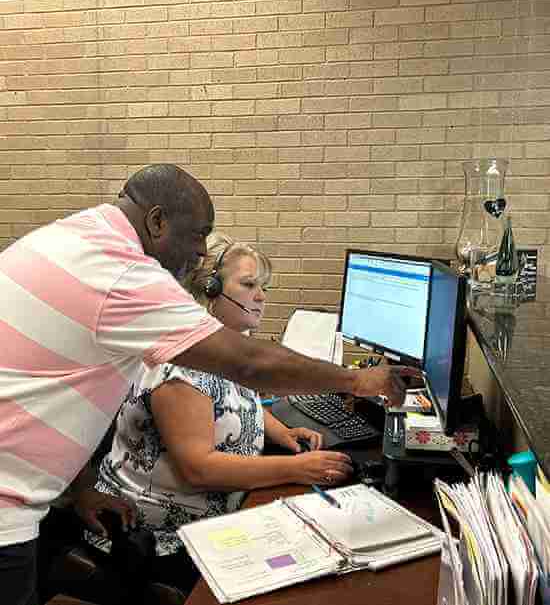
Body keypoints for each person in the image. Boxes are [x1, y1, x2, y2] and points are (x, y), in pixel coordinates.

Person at [0, 163, 410, 605]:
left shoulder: (74, 239)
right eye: (198, 234)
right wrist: (358, 380)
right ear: (157, 220)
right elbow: (248, 367)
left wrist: (79, 490)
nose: (200, 252)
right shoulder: (122, 274)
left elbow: (51, 388)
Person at [84, 233, 353, 593]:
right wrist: (298, 468)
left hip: (211, 517)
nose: (261, 297)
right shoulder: (181, 365)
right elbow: (198, 468)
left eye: (264, 287)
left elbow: (235, 400)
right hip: (157, 540)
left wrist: (279, 432)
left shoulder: (220, 349)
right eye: (249, 285)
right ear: (210, 290)